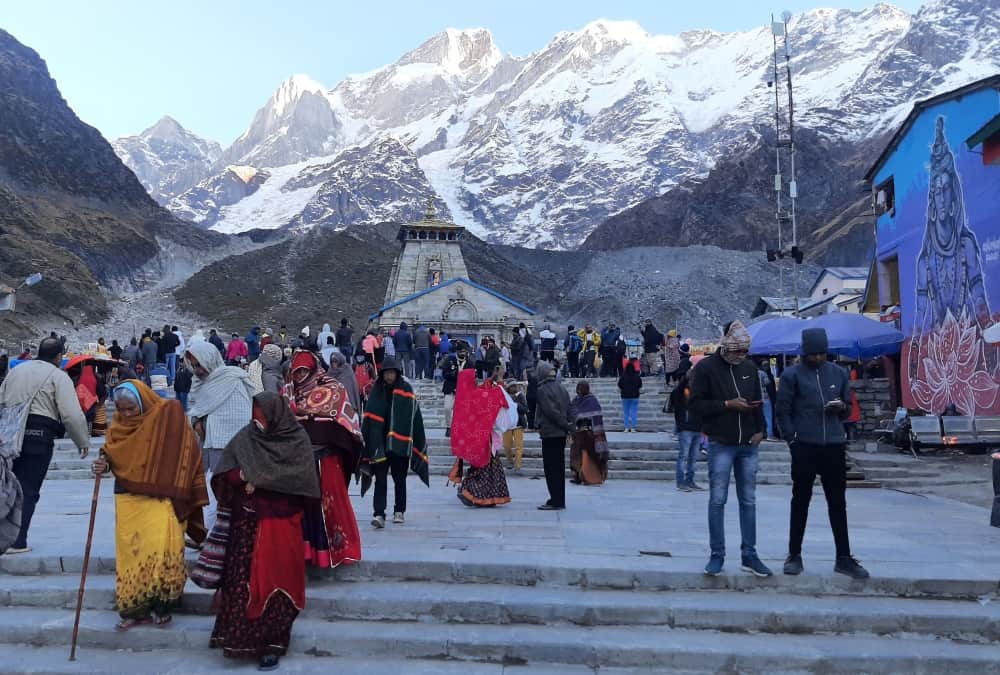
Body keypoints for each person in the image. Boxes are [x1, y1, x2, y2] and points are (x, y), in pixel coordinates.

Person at [209, 392, 320, 670]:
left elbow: (304, 484)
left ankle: (272, 643)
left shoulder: (297, 441)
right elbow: (224, 473)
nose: (257, 421)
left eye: (262, 416)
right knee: (240, 585)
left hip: (282, 527)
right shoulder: (247, 438)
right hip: (246, 527)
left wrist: (261, 480)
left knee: (276, 585)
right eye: (254, 415)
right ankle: (237, 639)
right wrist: (241, 476)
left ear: (276, 415)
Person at [91, 380, 208, 630]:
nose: (126, 414)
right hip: (128, 497)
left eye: (131, 409)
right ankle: (134, 608)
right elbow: (111, 453)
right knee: (131, 553)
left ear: (143, 401)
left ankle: (163, 605)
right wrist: (103, 464)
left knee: (160, 552)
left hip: (162, 498)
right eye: (121, 410)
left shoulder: (168, 415)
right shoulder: (120, 426)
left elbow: (188, 451)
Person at [776, 328, 869, 580]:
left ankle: (844, 557)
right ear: (805, 352)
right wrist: (792, 440)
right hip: (804, 445)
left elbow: (849, 409)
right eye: (813, 353)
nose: (818, 358)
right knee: (800, 501)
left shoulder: (838, 374)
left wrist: (841, 408)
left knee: (838, 503)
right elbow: (782, 411)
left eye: (822, 353)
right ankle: (794, 554)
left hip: (834, 445)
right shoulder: (791, 375)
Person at [689, 320, 771, 578]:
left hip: (748, 443)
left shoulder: (749, 367)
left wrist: (761, 431)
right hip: (721, 442)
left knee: (748, 500)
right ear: (727, 347)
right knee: (718, 499)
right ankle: (717, 555)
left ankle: (750, 554)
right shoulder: (706, 369)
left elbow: (759, 402)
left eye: (745, 352)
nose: (742, 356)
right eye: (738, 351)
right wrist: (726, 405)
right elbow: (696, 405)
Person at [0, 337, 89, 554]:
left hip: (9, 434)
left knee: (7, 485)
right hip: (39, 435)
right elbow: (70, 414)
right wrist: (82, 441)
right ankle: (16, 541)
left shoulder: (16, 371)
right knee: (28, 489)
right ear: (59, 356)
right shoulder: (58, 376)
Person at [288, 350, 364, 568]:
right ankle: (311, 555)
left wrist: (307, 415)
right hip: (301, 459)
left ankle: (344, 551)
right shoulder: (289, 391)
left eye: (304, 370)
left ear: (313, 369)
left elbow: (343, 417)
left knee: (333, 503)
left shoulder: (333, 387)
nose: (300, 375)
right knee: (305, 507)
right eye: (296, 371)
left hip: (328, 458)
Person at [360, 358, 429, 528]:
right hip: (380, 444)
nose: (389, 376)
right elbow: (369, 418)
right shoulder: (376, 392)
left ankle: (399, 511)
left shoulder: (406, 391)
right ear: (382, 374)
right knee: (380, 480)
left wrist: (418, 441)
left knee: (400, 479)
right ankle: (379, 514)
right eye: (386, 373)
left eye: (392, 373)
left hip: (400, 444)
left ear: (397, 373)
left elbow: (416, 419)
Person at [185, 341, 254, 481]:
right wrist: (196, 422)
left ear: (210, 360)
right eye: (193, 366)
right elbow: (196, 410)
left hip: (227, 447)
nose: (196, 370)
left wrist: (202, 424)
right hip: (206, 445)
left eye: (199, 365)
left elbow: (242, 418)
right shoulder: (199, 382)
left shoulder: (231, 380)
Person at [448, 366, 514, 507]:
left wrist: (493, 378)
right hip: (483, 440)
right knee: (486, 469)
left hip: (474, 439)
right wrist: (499, 383)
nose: (476, 379)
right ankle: (472, 493)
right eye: (474, 377)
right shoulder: (476, 395)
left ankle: (484, 496)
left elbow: (486, 390)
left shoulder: (463, 397)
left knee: (485, 468)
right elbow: (491, 396)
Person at [534, 360, 573, 510]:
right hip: (561, 434)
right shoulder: (562, 388)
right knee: (559, 468)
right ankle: (559, 498)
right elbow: (570, 408)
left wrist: (564, 424)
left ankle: (556, 500)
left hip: (550, 433)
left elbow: (551, 412)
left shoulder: (542, 390)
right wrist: (570, 426)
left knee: (551, 469)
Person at [569, 381, 609, 485]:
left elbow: (597, 415)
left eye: (580, 388)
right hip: (578, 433)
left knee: (588, 456)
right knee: (576, 455)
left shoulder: (592, 400)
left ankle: (589, 477)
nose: (578, 391)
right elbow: (571, 411)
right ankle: (577, 475)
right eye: (578, 388)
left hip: (589, 434)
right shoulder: (576, 400)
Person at [668, 372, 703, 491]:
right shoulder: (679, 393)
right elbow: (677, 393)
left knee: (693, 457)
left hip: (697, 428)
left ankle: (690, 481)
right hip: (685, 428)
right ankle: (681, 482)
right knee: (683, 456)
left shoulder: (698, 393)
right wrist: (686, 378)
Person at [441, 341, 474, 437]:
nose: (463, 354)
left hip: (463, 390)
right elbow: (444, 374)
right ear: (457, 351)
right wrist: (454, 374)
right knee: (447, 408)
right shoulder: (450, 360)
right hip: (450, 388)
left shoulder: (469, 363)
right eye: (461, 352)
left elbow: (472, 378)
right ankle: (448, 427)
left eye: (465, 352)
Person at [504, 382, 529, 471]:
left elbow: (525, 409)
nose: (514, 388)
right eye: (512, 386)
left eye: (515, 386)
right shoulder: (504, 396)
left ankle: (518, 464)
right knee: (507, 445)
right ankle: (510, 461)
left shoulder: (520, 396)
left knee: (519, 445)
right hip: (507, 424)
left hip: (518, 424)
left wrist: (515, 403)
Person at [617, 358, 642, 433]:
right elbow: (640, 385)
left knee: (626, 412)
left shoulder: (623, 376)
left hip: (625, 396)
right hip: (635, 396)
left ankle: (626, 428)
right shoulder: (637, 376)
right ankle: (633, 428)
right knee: (633, 412)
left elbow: (619, 385)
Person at [757, 359, 777, 440]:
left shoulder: (752, 372)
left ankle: (759, 434)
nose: (767, 367)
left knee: (758, 417)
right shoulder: (763, 373)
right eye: (765, 365)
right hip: (765, 398)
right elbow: (767, 383)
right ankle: (769, 435)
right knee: (768, 417)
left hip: (756, 399)